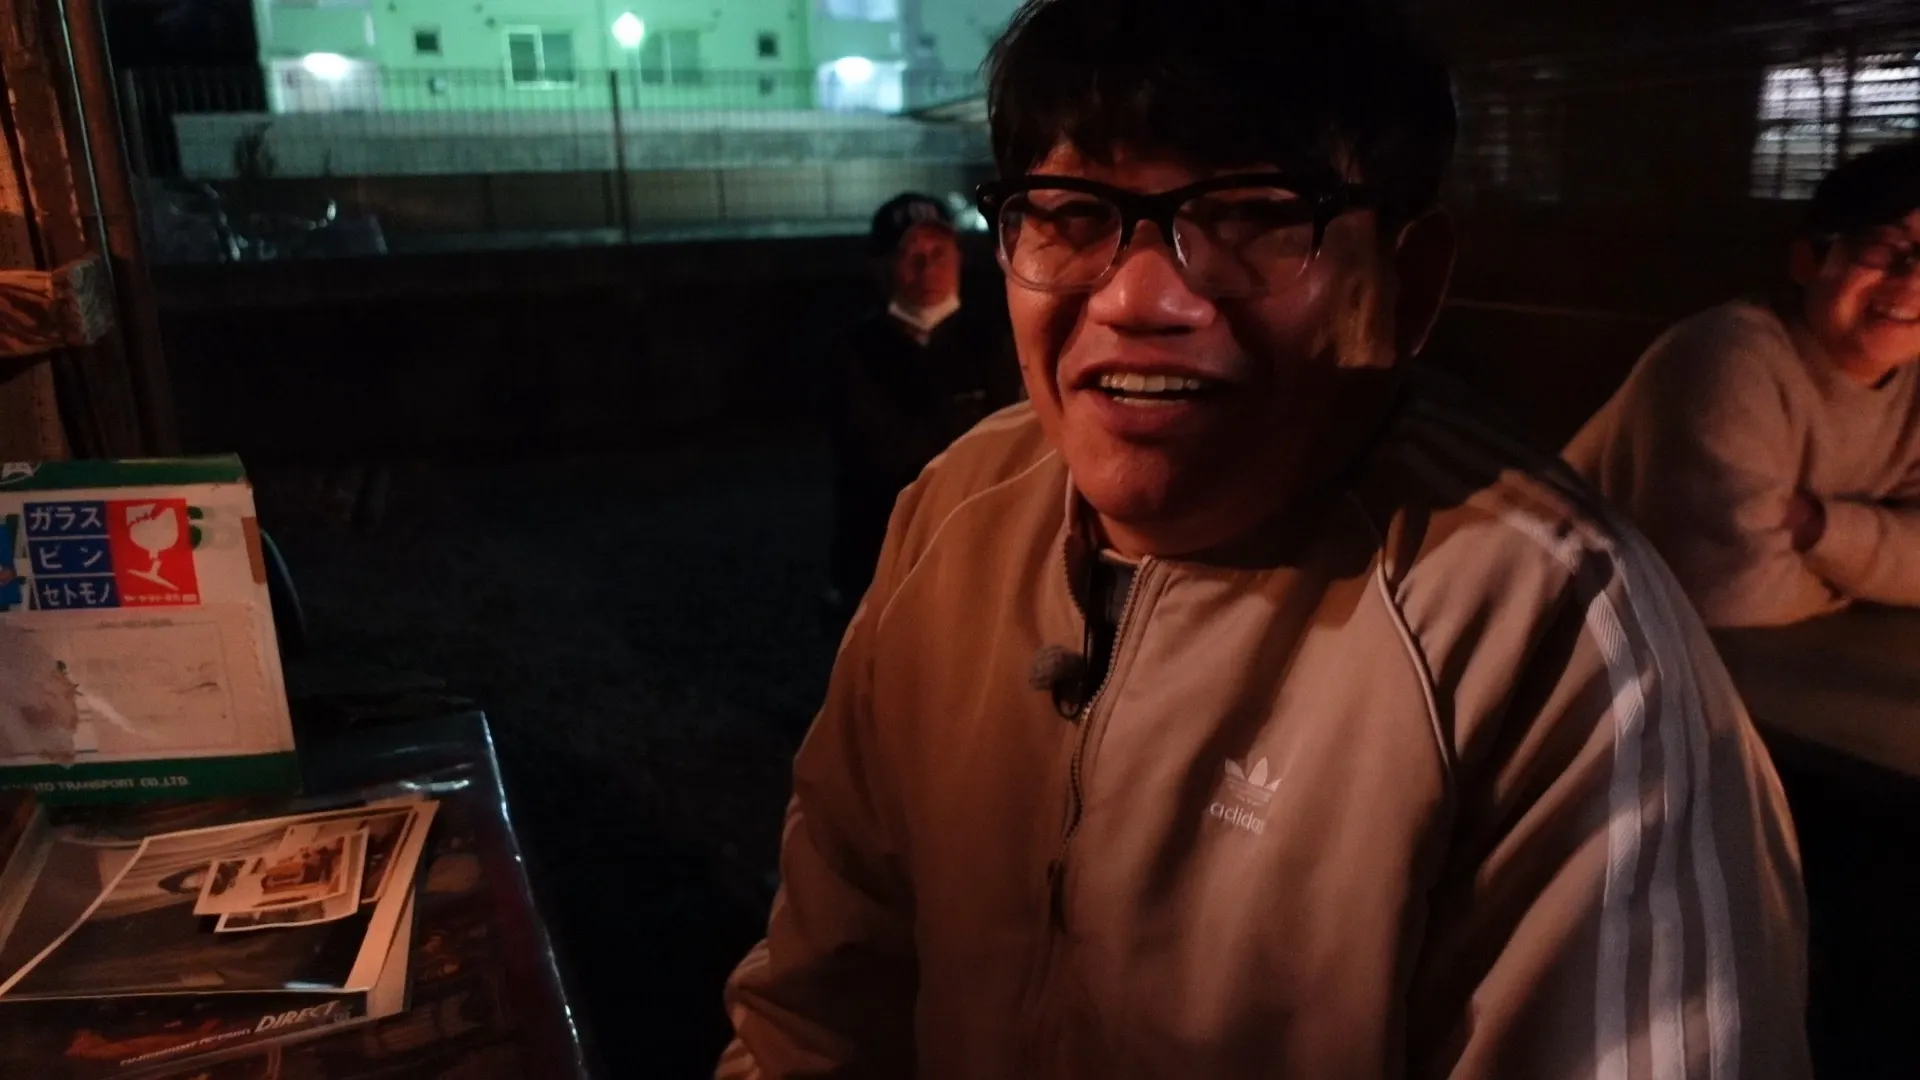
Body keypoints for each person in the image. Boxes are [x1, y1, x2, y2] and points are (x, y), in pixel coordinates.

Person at [723, 1, 1811, 1076]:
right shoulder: (956, 513)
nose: (1139, 299)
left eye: (1249, 216)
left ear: (1410, 283)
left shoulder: (1547, 637)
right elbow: (819, 1003)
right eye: (1071, 213)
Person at [1566, 142, 1920, 629]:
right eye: (1883, 247)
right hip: (1579, 626)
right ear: (1807, 260)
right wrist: (1872, 582)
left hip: (1748, 650)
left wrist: (1815, 527)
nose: (1913, 278)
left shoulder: (1911, 378)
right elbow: (1724, 594)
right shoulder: (1725, 357)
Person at [824, 193, 1021, 612]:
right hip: (885, 560)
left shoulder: (994, 339)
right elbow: (878, 455)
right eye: (909, 254)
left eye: (939, 252)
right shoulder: (855, 351)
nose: (927, 267)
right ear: (881, 267)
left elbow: (1013, 447)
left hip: (981, 552)